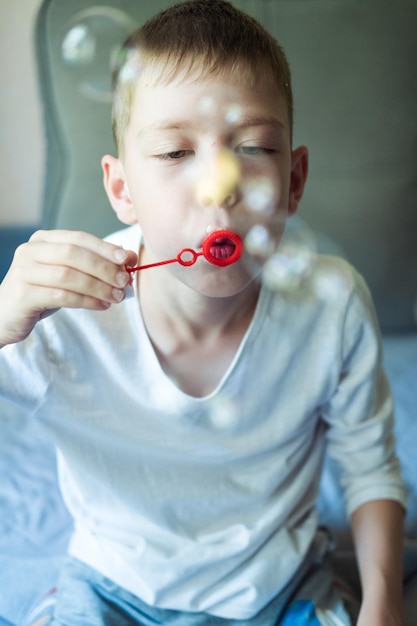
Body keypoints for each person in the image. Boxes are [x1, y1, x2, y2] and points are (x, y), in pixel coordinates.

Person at [0, 1, 407, 624]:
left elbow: (368, 462)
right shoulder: (61, 315)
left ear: (293, 182)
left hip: (279, 586)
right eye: (172, 152)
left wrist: (382, 604)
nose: (219, 182)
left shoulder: (334, 306)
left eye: (251, 146)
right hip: (111, 586)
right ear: (120, 189)